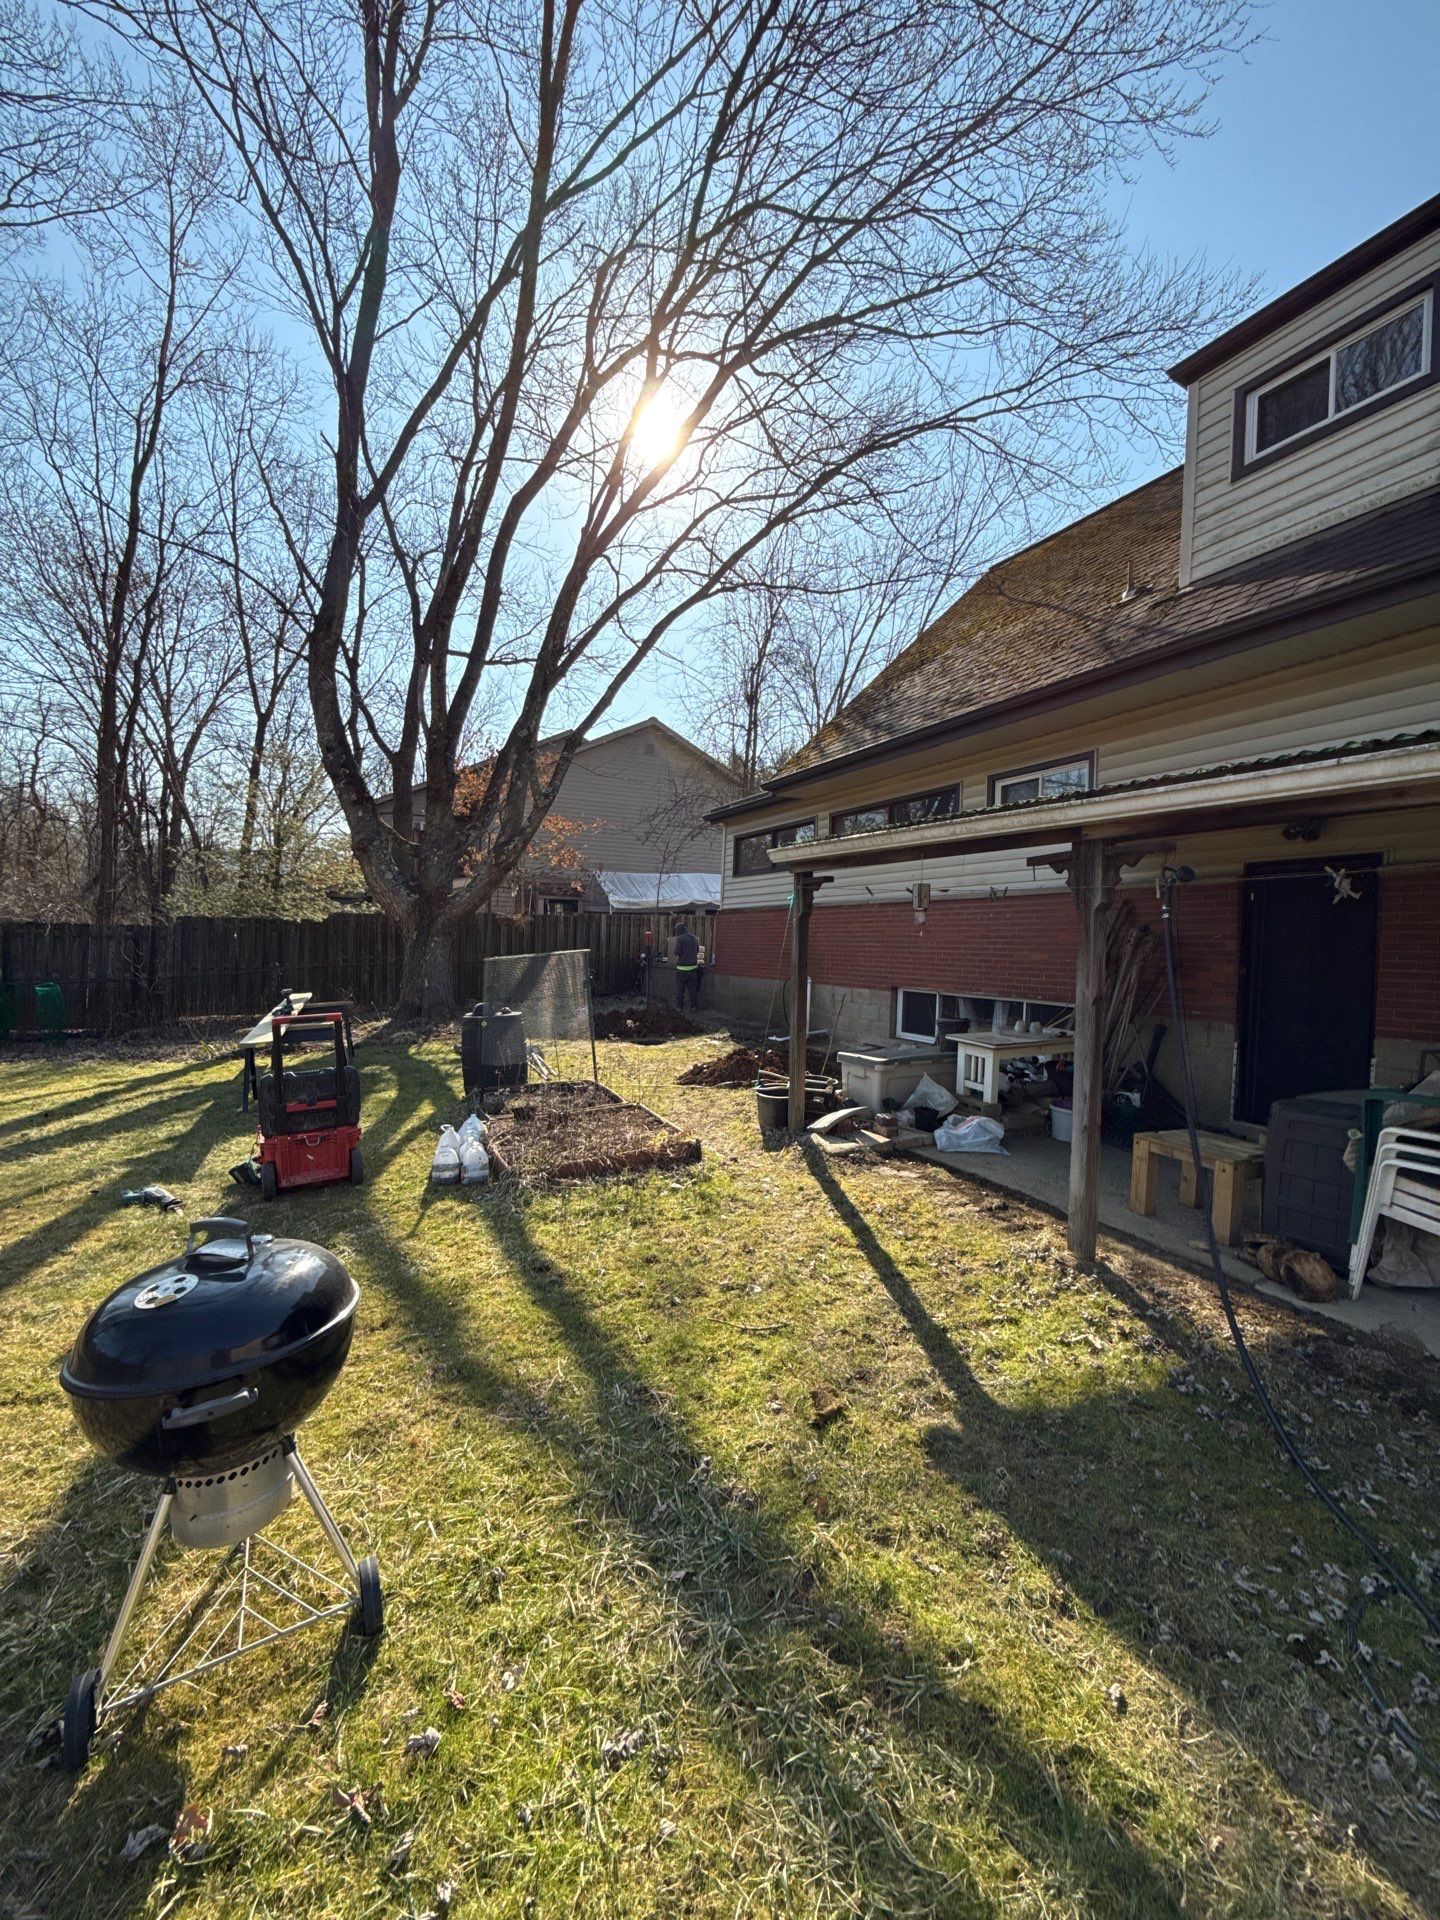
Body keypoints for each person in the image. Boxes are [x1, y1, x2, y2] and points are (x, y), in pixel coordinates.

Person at [673, 918, 701, 1011]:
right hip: (693, 969)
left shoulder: (680, 939)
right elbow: (697, 950)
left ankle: (679, 1008)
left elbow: (677, 952)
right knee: (692, 990)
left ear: (678, 931)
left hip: (682, 970)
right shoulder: (694, 938)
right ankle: (693, 1007)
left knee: (680, 990)